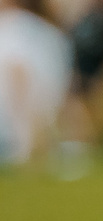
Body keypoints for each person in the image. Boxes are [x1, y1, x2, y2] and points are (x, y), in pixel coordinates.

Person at [0, 0, 70, 168]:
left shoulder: (13, 25)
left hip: (16, 130)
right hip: (42, 119)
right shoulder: (49, 30)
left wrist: (25, 136)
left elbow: (19, 75)